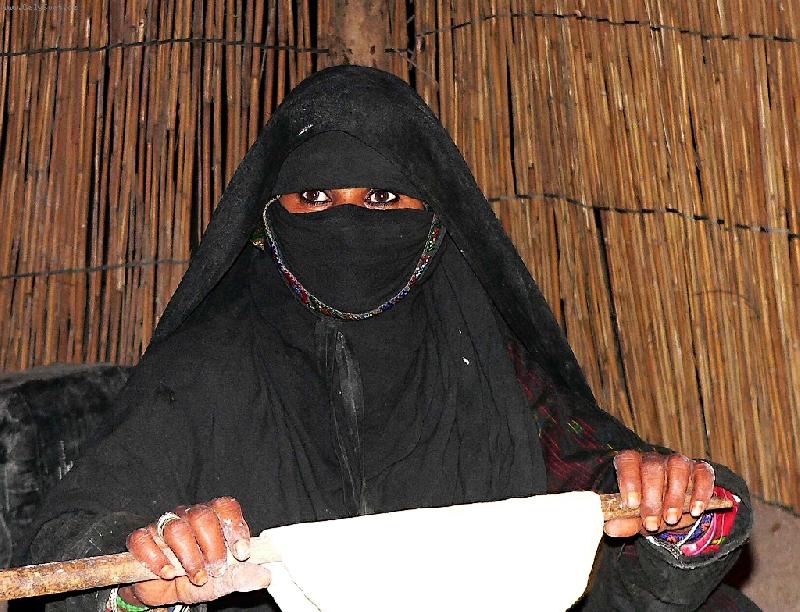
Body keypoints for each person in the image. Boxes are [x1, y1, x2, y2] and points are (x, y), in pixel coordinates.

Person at [21, 66, 753, 611]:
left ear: (433, 219)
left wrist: (671, 503)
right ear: (269, 219)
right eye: (314, 197)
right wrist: (147, 568)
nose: (347, 223)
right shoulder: (206, 368)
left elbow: (615, 499)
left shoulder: (486, 360)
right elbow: (68, 547)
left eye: (381, 197)